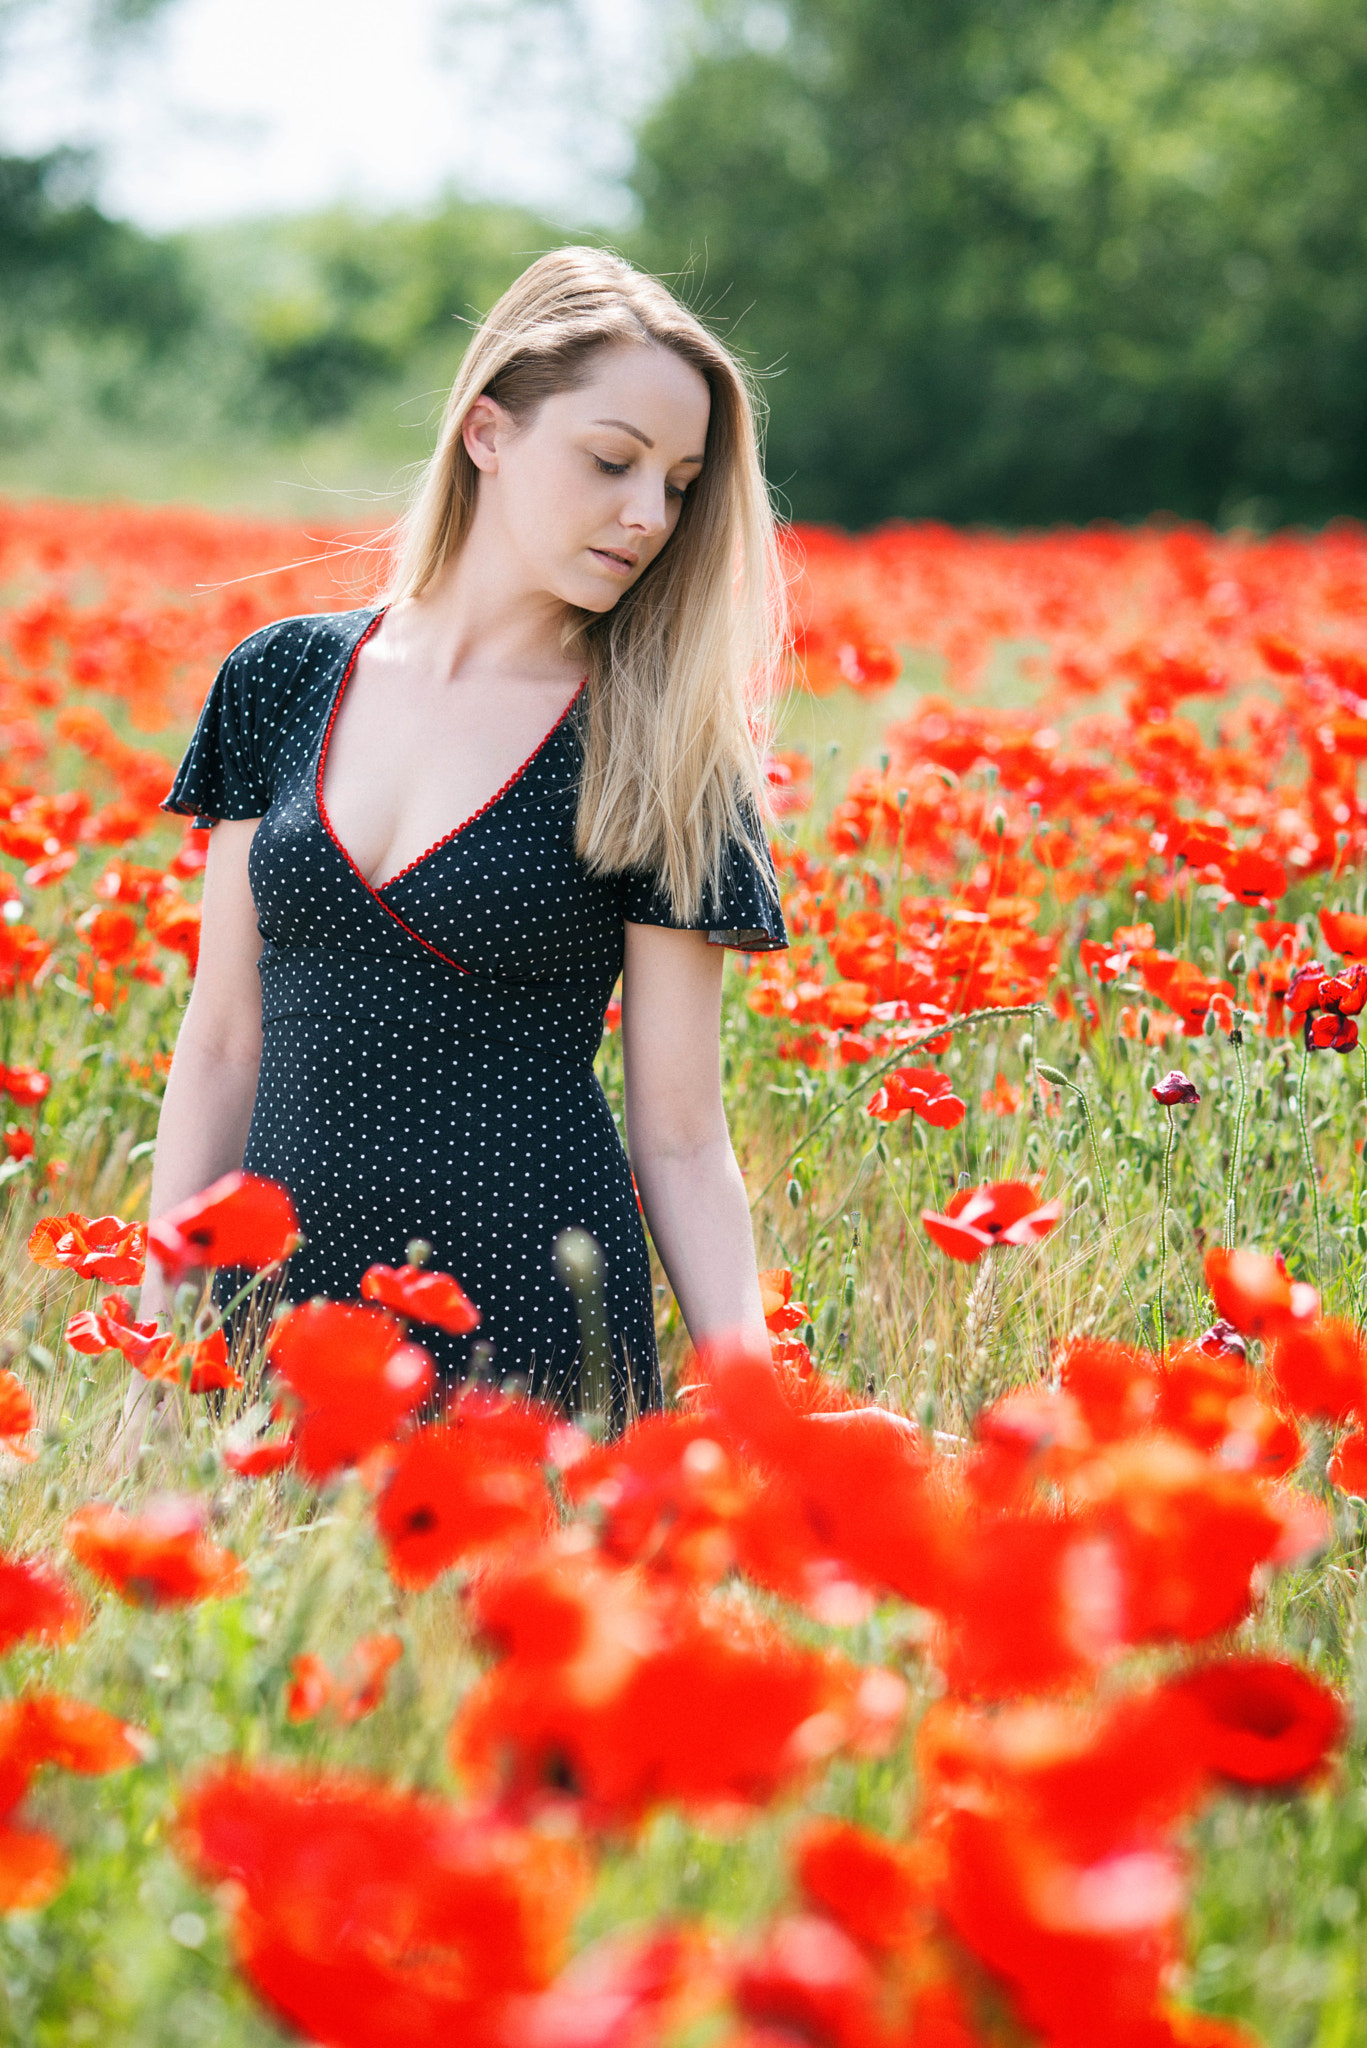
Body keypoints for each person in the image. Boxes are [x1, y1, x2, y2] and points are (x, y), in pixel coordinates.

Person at [129, 245, 788, 1441]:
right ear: (487, 431)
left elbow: (683, 1134)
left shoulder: (659, 744)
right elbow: (223, 1040)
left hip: (526, 1330)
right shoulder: (280, 677)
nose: (648, 514)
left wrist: (759, 1407)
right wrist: (157, 1320)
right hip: (274, 1314)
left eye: (681, 483)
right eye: (610, 460)